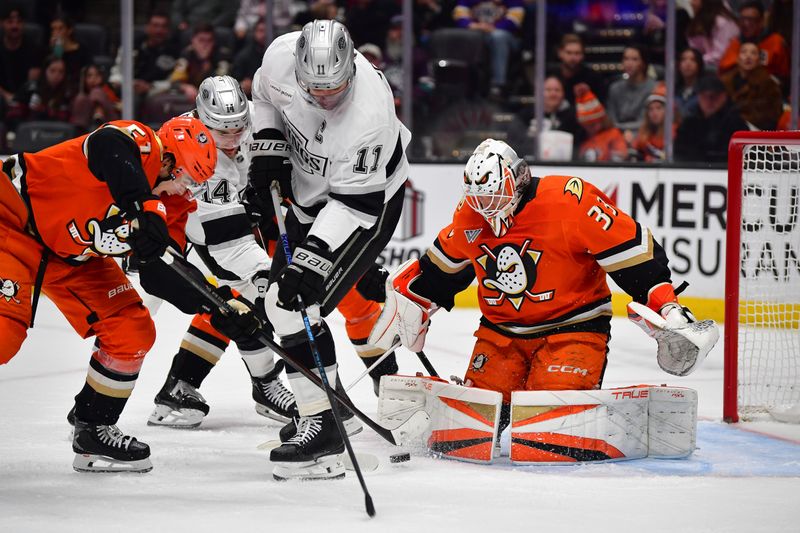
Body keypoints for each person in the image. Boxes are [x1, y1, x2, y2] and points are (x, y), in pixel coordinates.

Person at [370, 138, 716, 431]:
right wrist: (409, 305)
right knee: (473, 426)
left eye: (493, 196)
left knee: (543, 426)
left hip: (572, 330)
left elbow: (635, 257)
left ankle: (602, 417)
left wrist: (667, 307)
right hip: (500, 334)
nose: (487, 208)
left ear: (518, 179)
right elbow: (438, 273)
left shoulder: (569, 200)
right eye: (479, 199)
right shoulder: (471, 214)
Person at [0, 115, 257, 473]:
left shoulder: (176, 206)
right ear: (166, 162)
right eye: (184, 179)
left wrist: (219, 305)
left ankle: (94, 428)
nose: (185, 192)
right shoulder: (141, 143)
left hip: (71, 258)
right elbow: (108, 145)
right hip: (12, 219)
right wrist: (142, 208)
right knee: (3, 336)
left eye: (194, 185)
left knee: (132, 329)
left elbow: (161, 273)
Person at [248, 19, 410, 480]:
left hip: (364, 206)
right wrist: (269, 148)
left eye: (334, 87)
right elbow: (263, 97)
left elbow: (353, 204)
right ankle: (329, 414)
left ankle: (324, 426)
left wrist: (312, 260)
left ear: (352, 69)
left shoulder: (370, 114)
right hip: (306, 193)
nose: (323, 97)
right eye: (313, 87)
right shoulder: (280, 57)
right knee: (281, 304)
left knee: (293, 302)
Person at [109, 10, 180, 107]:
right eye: (155, 25)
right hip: (125, 88)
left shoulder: (174, 52)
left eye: (163, 26)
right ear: (147, 27)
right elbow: (116, 73)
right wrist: (131, 84)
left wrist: (151, 86)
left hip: (155, 92)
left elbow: (173, 81)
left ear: (168, 30)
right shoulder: (131, 45)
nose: (159, 30)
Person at [674, 74, 748, 162]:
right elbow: (680, 154)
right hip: (693, 172)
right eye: (705, 96)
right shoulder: (688, 124)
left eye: (713, 96)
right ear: (699, 97)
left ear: (723, 96)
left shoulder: (736, 124)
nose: (709, 101)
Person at [717, 0, 789, 90]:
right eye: (743, 19)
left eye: (751, 20)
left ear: (761, 21)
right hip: (737, 91)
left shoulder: (775, 41)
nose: (746, 24)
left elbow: (784, 76)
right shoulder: (735, 43)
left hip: (769, 91)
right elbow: (723, 70)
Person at [720, 41, 783, 131]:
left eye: (753, 53)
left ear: (758, 60)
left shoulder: (768, 83)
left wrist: (740, 118)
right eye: (744, 52)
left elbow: (771, 114)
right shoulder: (725, 81)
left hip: (754, 129)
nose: (748, 56)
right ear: (737, 58)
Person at [170, 23, 232, 101]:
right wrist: (185, 87)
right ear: (193, 40)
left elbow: (221, 84)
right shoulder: (187, 54)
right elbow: (174, 81)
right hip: (190, 97)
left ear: (214, 42)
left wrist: (207, 70)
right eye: (201, 40)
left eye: (209, 41)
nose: (205, 45)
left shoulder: (223, 56)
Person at [0, 3, 45, 107]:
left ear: (24, 24)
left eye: (19, 22)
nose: (14, 26)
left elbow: (32, 82)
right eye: (10, 22)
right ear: (1, 23)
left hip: (25, 99)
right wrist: (7, 96)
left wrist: (17, 99)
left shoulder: (34, 49)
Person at [605, 45, 656, 135]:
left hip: (644, 134)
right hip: (617, 134)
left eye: (634, 59)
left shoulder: (653, 88)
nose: (629, 63)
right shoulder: (615, 88)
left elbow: (647, 122)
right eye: (626, 59)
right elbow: (611, 120)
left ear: (643, 63)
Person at [549, 33, 607, 106]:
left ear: (583, 55)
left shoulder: (593, 78)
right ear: (560, 53)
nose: (573, 58)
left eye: (577, 53)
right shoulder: (551, 76)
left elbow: (601, 107)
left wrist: (588, 95)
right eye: (569, 53)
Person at [574, 84, 628, 162]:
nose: (597, 127)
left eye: (598, 122)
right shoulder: (582, 143)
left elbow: (621, 158)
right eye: (591, 125)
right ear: (583, 125)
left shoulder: (613, 134)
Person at [685, 0, 739, 69]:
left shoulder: (724, 22)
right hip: (703, 66)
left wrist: (697, 60)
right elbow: (694, 48)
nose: (691, 3)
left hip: (721, 68)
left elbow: (721, 55)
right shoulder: (699, 21)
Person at [70, 63, 121, 132]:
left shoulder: (108, 90)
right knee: (81, 98)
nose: (93, 79)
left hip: (111, 123)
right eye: (89, 76)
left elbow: (117, 104)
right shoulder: (80, 95)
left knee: (96, 91)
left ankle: (98, 117)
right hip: (85, 126)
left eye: (97, 75)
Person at [633, 83, 676, 162]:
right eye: (651, 109)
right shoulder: (644, 132)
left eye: (658, 108)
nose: (654, 113)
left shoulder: (674, 131)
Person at [676, 47, 704, 117]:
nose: (688, 64)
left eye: (693, 60)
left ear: (699, 65)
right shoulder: (672, 91)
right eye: (683, 60)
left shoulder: (704, 92)